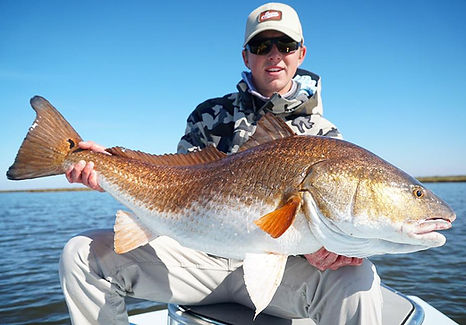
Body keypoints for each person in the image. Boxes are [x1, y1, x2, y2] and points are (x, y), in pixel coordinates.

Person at [60, 3, 382, 324]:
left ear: (301, 53)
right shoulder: (207, 115)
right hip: (198, 260)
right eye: (260, 45)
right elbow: (175, 183)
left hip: (284, 274)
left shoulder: (325, 138)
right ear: (246, 56)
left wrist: (330, 248)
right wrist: (108, 166)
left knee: (359, 279)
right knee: (80, 254)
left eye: (285, 45)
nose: (274, 54)